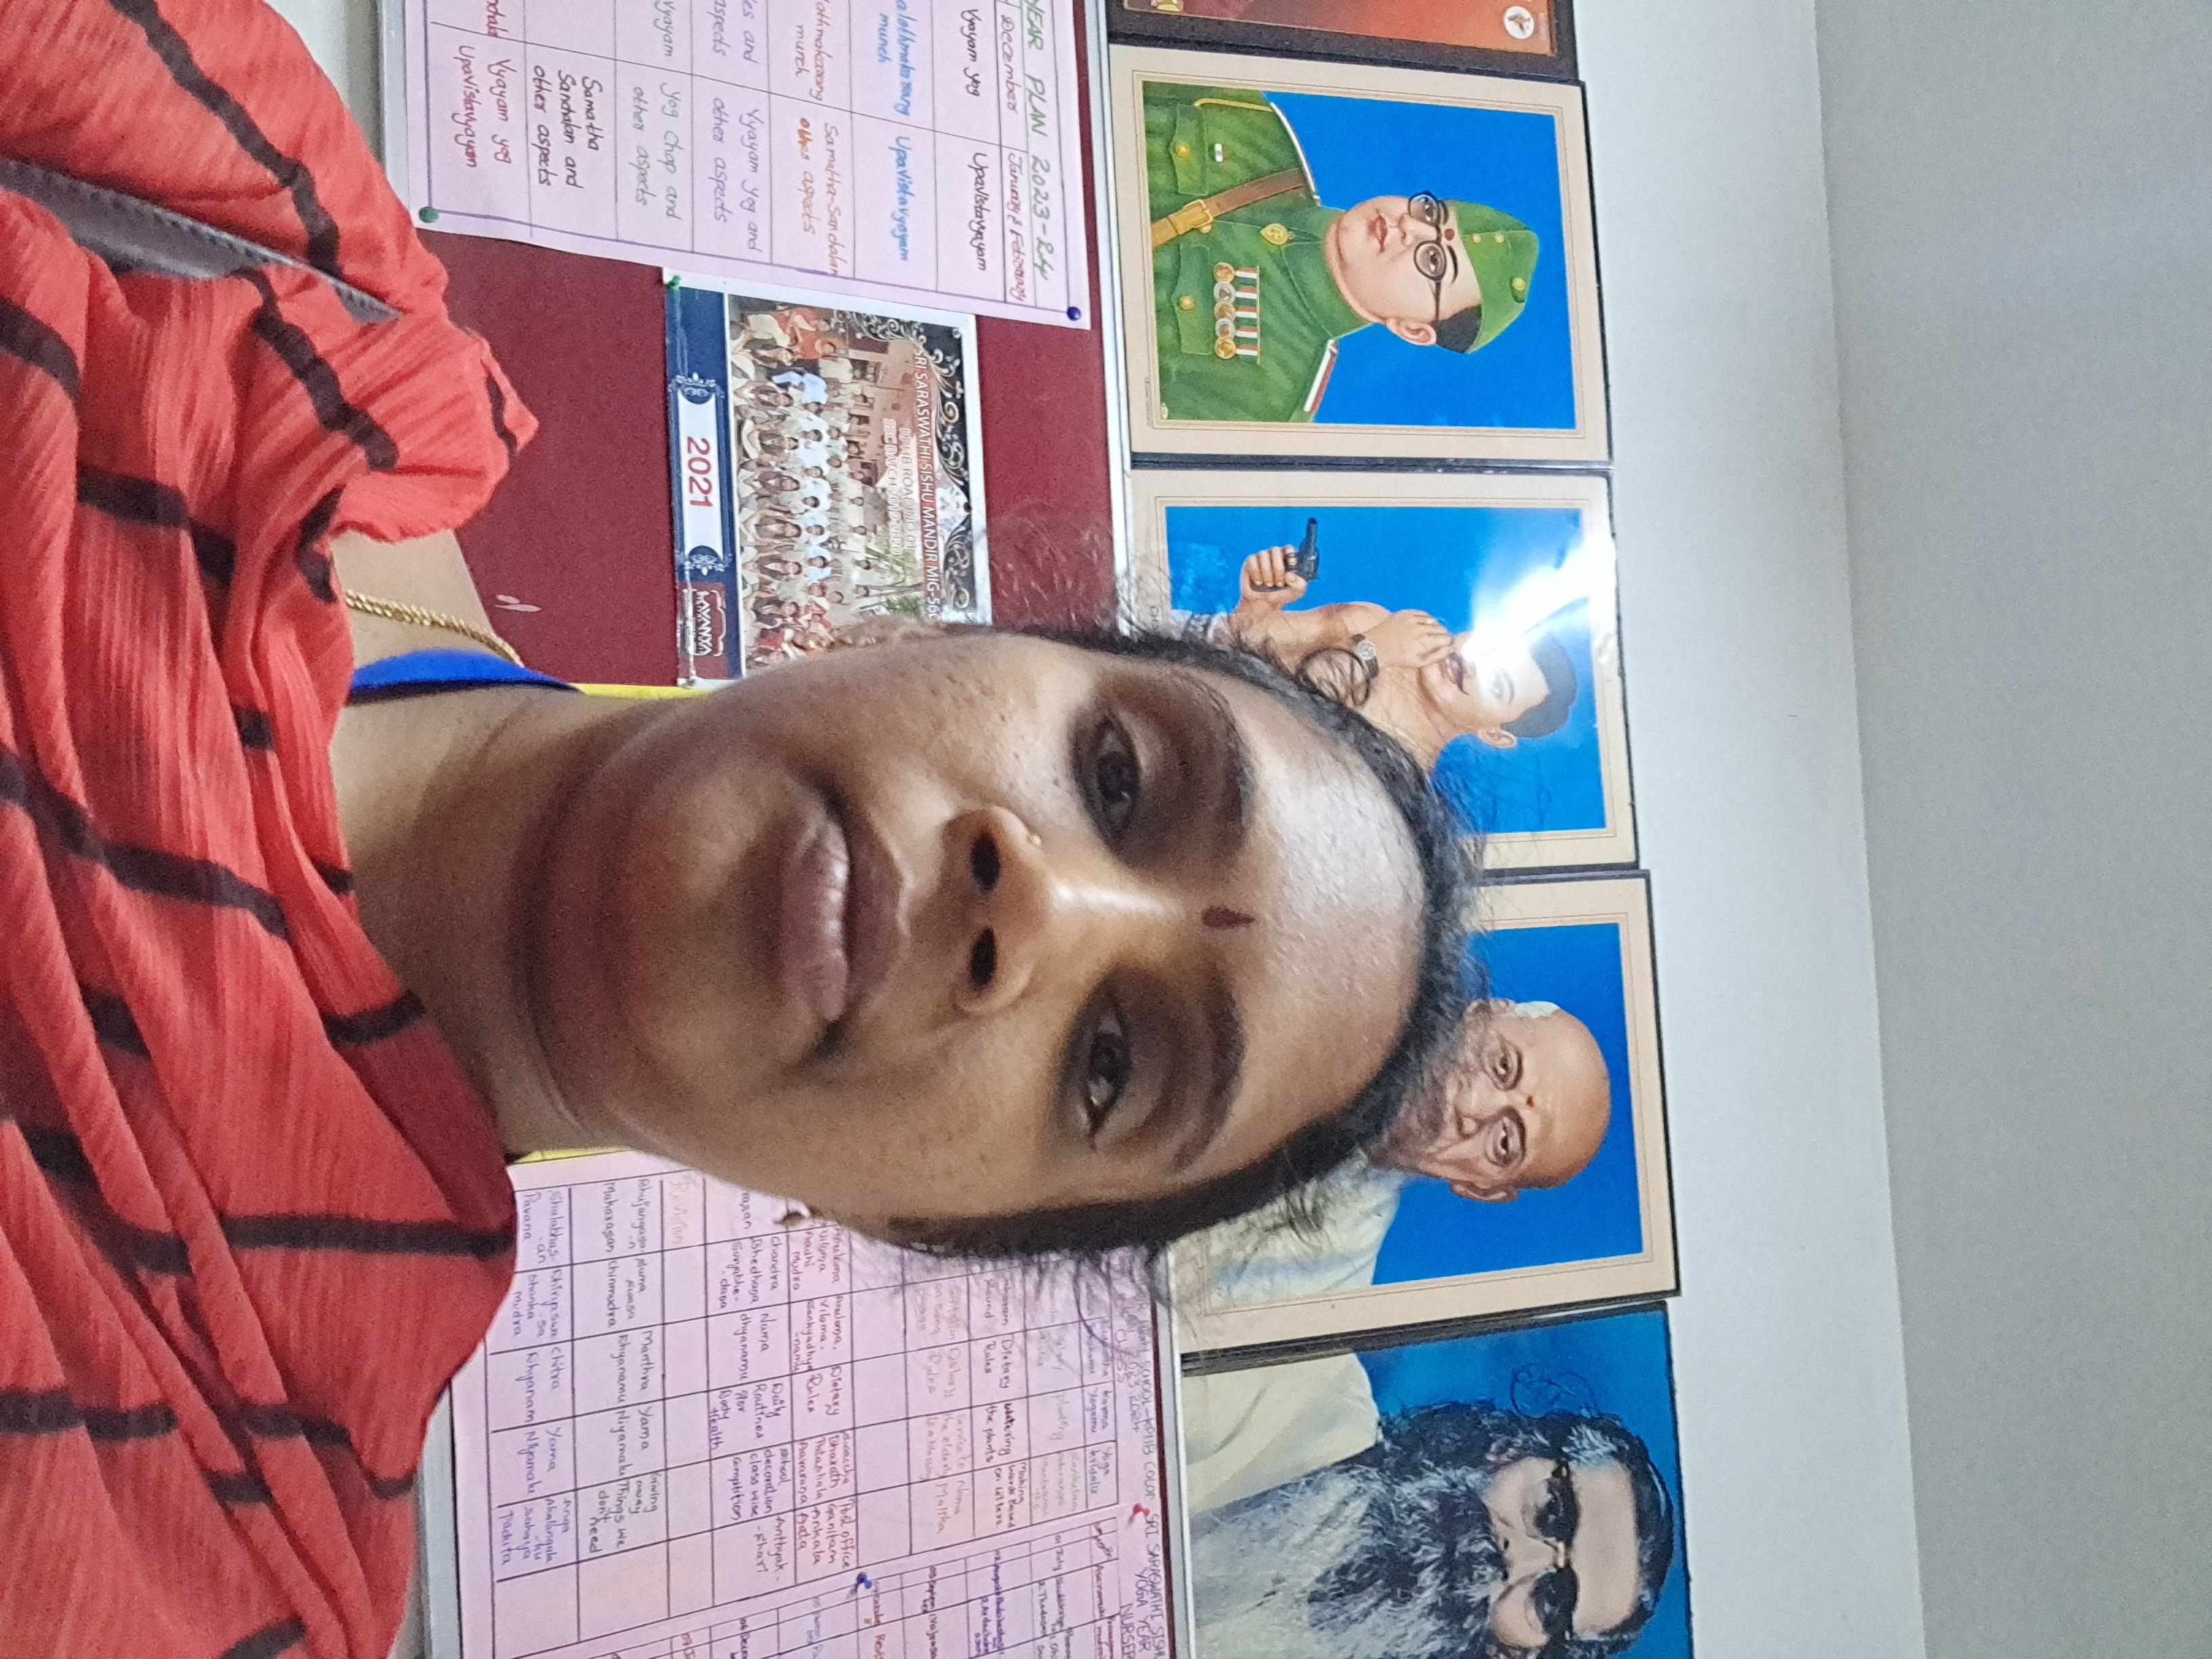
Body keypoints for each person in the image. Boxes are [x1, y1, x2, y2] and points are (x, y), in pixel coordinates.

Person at [0, 3, 1473, 1653]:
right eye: (1119, 777)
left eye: (1113, 1063)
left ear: (924, 1224)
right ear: (930, 627)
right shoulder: (263, 243)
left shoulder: (228, 1548)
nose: (1038, 907)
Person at [1181, 998, 1610, 1508]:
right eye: (1502, 1065)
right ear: (1477, 1013)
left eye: (1503, 1142)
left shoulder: (1317, 1327)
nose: (1470, 1106)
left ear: (1479, 1188)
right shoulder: (1297, 989)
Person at [1144, 81, 1540, 423]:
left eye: (1433, 260)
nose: (1409, 226)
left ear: (1413, 329)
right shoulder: (1253, 127)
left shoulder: (1269, 401)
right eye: (1430, 213)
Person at [1187, 1398, 1676, 1659]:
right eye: (1552, 1512)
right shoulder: (1303, 1405)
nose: (1516, 1558)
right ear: (1509, 1450)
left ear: (1519, 1655)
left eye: (1553, 1599)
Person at [1223, 546, 1581, 763]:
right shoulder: (1368, 622)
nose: (1472, 668)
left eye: (1497, 686)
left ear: (1494, 735)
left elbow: (1274, 726)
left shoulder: (1399, 785)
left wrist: (1374, 651)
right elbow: (1226, 646)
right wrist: (1256, 609)